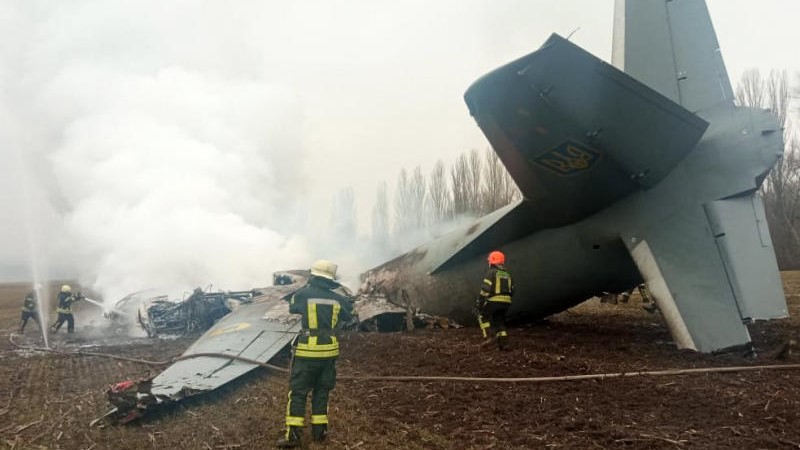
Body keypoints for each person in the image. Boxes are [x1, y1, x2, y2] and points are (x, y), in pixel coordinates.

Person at [276, 259, 354, 448]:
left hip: (307, 353)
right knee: (322, 392)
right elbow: (348, 315)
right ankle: (320, 433)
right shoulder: (340, 299)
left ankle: (293, 436)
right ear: (331, 280)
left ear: (313, 276)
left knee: (298, 393)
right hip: (329, 353)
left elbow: (292, 306)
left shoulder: (303, 295)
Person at [476, 250, 513, 350]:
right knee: (499, 321)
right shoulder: (507, 274)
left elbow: (485, 289)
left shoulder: (491, 273)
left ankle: (489, 337)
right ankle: (504, 344)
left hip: (494, 301)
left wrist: (480, 302)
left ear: (492, 261)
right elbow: (512, 290)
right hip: (506, 303)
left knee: (482, 316)